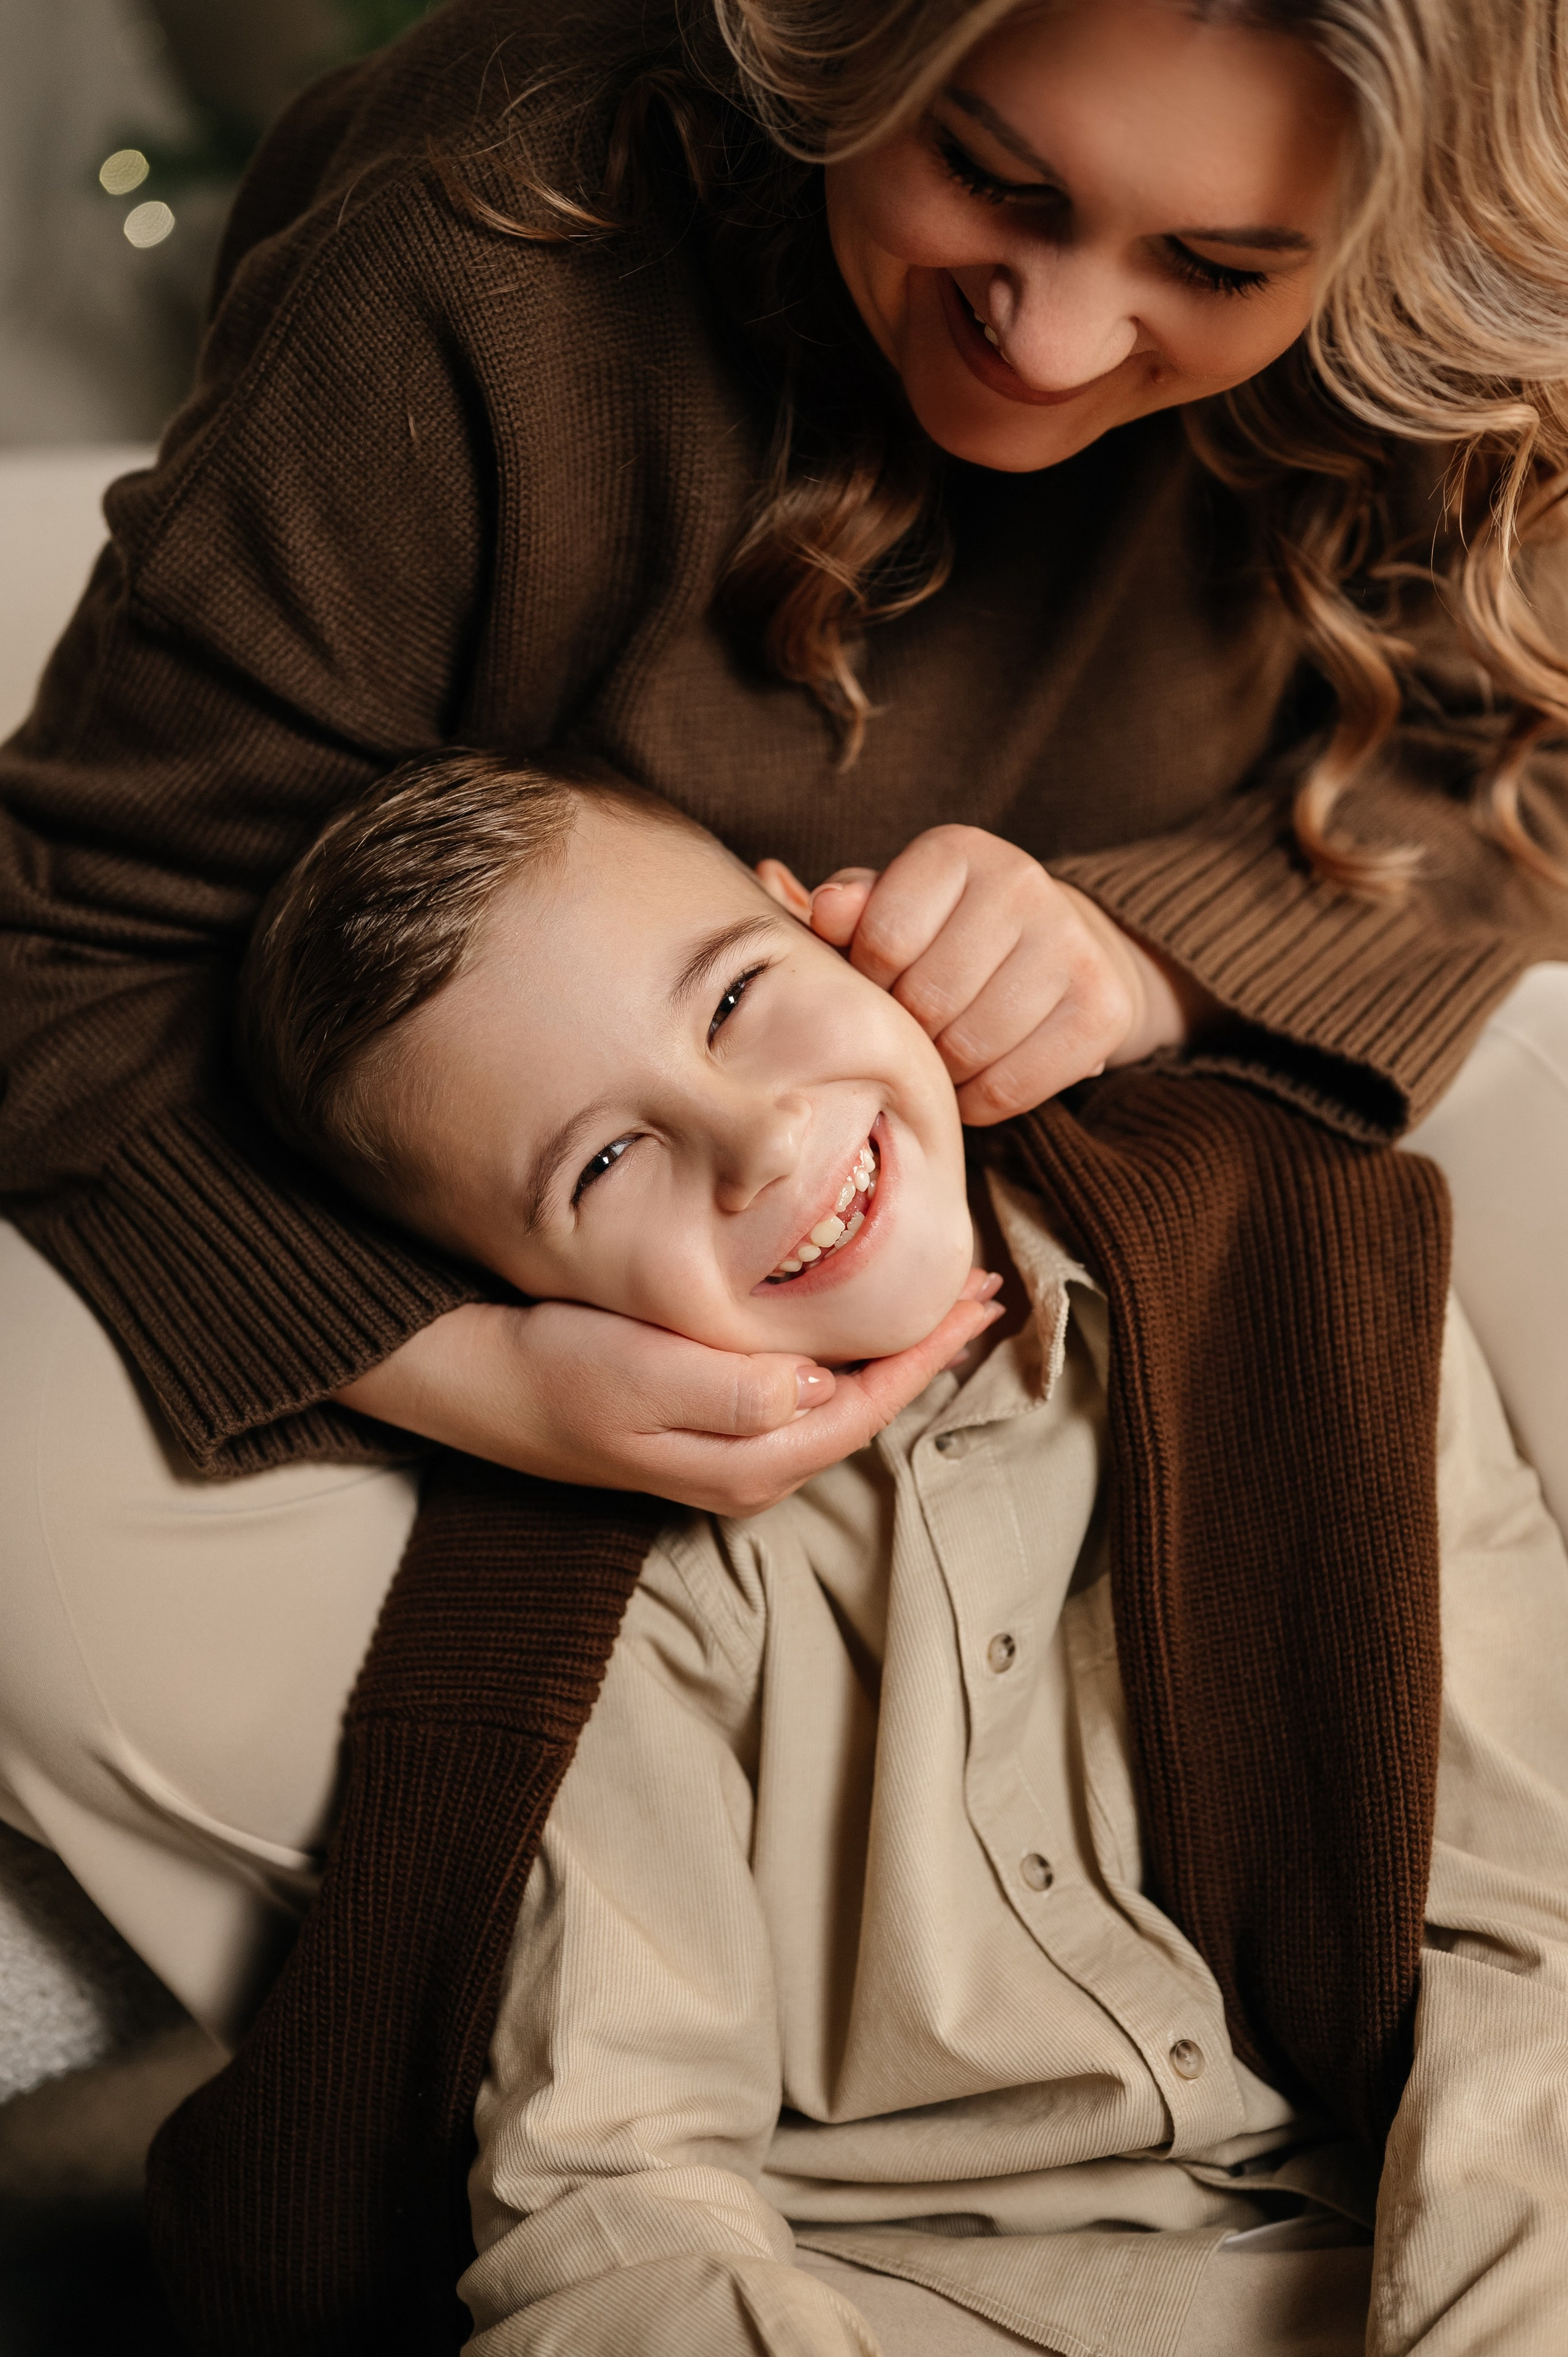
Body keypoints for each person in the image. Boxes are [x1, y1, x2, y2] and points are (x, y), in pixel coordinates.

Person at [2, 0, 1568, 2309]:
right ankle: (861, 2163)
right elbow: (61, 957)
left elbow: (1515, 770)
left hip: (1113, 1164)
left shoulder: (1455, 336)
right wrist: (451, 1360)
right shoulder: (485, 244)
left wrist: (1146, 961)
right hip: (505, 1221)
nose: (1047, 339)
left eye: (1217, 266)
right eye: (994, 179)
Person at [230, 751, 1568, 2355]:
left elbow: (1523, 1939)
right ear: (514, 1301)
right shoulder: (607, 1598)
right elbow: (616, 2195)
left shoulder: (1309, 1264)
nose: (757, 1142)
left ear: (822, 924)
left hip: (1464, 2213)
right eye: (602, 1162)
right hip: (926, 2297)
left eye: (734, 1000)